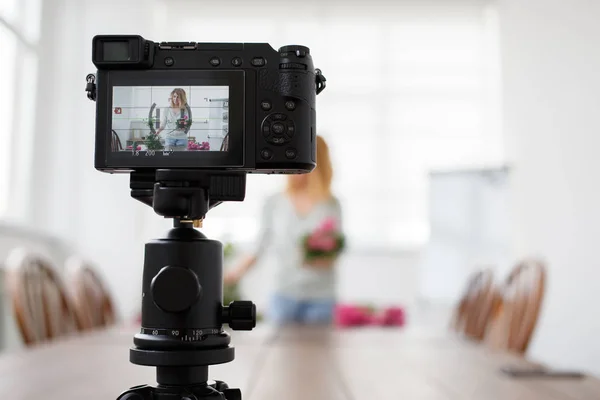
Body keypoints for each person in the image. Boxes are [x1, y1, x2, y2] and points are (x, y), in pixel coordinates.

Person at [225, 136, 343, 325]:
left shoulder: (331, 204)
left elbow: (336, 248)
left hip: (321, 297)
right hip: (284, 294)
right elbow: (259, 246)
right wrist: (233, 274)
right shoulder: (274, 202)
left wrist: (320, 256)